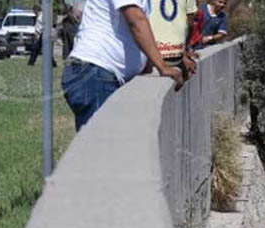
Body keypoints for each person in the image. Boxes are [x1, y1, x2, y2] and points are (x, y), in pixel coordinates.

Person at [62, 0, 187, 130]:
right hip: (96, 72)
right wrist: (161, 66)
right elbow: (136, 20)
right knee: (104, 145)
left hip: (99, 74)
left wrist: (148, 63)